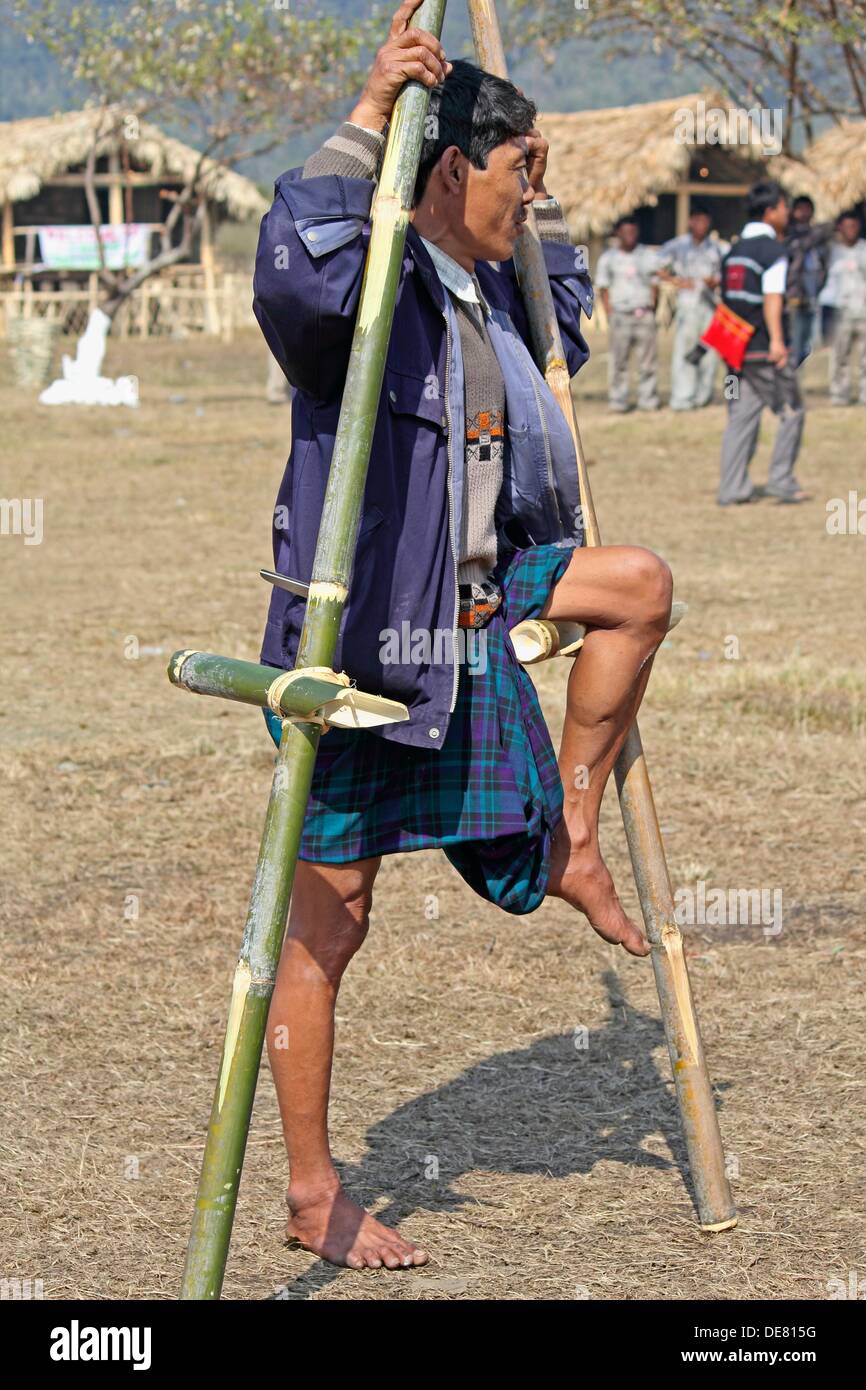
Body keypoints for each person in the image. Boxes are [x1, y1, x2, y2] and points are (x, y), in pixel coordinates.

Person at [253, 0, 673, 1272]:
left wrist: (529, 201)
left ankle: (574, 828)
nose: (530, 194)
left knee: (635, 586)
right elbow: (292, 270)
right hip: (375, 635)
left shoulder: (499, 284)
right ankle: (311, 1187)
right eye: (513, 170)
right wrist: (373, 111)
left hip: (492, 597)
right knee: (332, 920)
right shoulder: (366, 279)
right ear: (445, 171)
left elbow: (571, 327)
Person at [717, 180, 810, 506]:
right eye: (784, 208)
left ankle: (732, 487)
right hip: (762, 348)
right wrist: (778, 343)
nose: (788, 214)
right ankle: (782, 481)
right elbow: (773, 298)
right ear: (771, 212)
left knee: (742, 415)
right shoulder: (774, 251)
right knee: (792, 410)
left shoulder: (733, 252)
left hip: (734, 348)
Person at [658, 203, 726, 410]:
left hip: (709, 304)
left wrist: (715, 281)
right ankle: (682, 397)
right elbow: (657, 268)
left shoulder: (716, 248)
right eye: (696, 219)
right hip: (687, 304)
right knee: (685, 350)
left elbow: (724, 273)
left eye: (704, 220)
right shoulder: (677, 246)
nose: (700, 224)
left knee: (709, 351)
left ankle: (702, 396)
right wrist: (678, 282)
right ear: (690, 221)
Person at [595, 214, 660, 411]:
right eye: (626, 231)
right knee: (618, 361)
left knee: (648, 362)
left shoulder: (647, 255)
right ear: (618, 233)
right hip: (620, 315)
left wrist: (651, 307)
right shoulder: (609, 258)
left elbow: (655, 283)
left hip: (644, 314)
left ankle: (648, 401)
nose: (630, 235)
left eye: (633, 231)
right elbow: (604, 288)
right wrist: (610, 313)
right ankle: (618, 401)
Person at [784, 194, 834, 366]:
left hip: (812, 296)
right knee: (794, 344)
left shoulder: (819, 238)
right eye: (800, 209)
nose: (803, 213)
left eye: (807, 209)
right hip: (791, 298)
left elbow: (824, 265)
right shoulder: (787, 236)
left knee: (807, 346)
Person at [827, 210, 866, 406]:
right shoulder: (832, 251)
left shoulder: (864, 249)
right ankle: (839, 394)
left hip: (863, 310)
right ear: (840, 228)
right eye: (847, 226)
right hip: (840, 311)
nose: (851, 230)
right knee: (840, 355)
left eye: (854, 226)